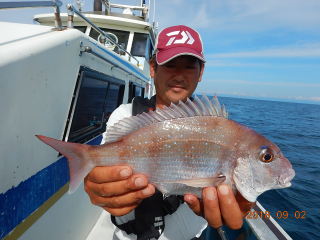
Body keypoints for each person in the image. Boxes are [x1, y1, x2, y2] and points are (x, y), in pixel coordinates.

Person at [84, 25, 255, 240]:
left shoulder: (217, 129)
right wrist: (101, 186)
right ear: (153, 68)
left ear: (201, 72)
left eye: (189, 66)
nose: (179, 75)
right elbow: (105, 175)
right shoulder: (126, 115)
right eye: (170, 64)